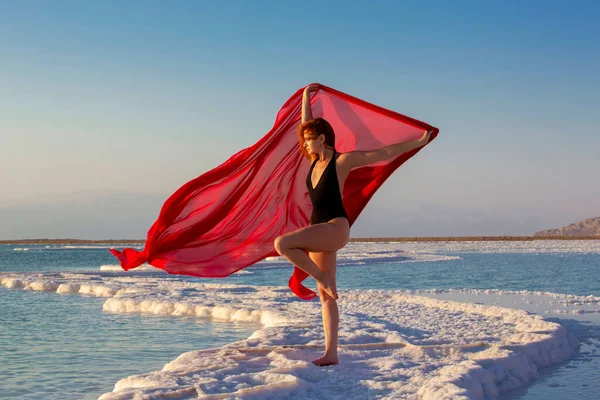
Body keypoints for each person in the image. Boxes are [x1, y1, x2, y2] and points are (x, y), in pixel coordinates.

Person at [274, 84, 433, 366]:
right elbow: (305, 126)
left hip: (335, 228)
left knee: (282, 243)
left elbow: (383, 152)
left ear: (322, 139)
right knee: (327, 298)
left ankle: (320, 278)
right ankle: (331, 353)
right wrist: (306, 98)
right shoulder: (313, 161)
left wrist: (418, 142)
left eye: (310, 139)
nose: (305, 144)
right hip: (319, 231)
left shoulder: (342, 162)